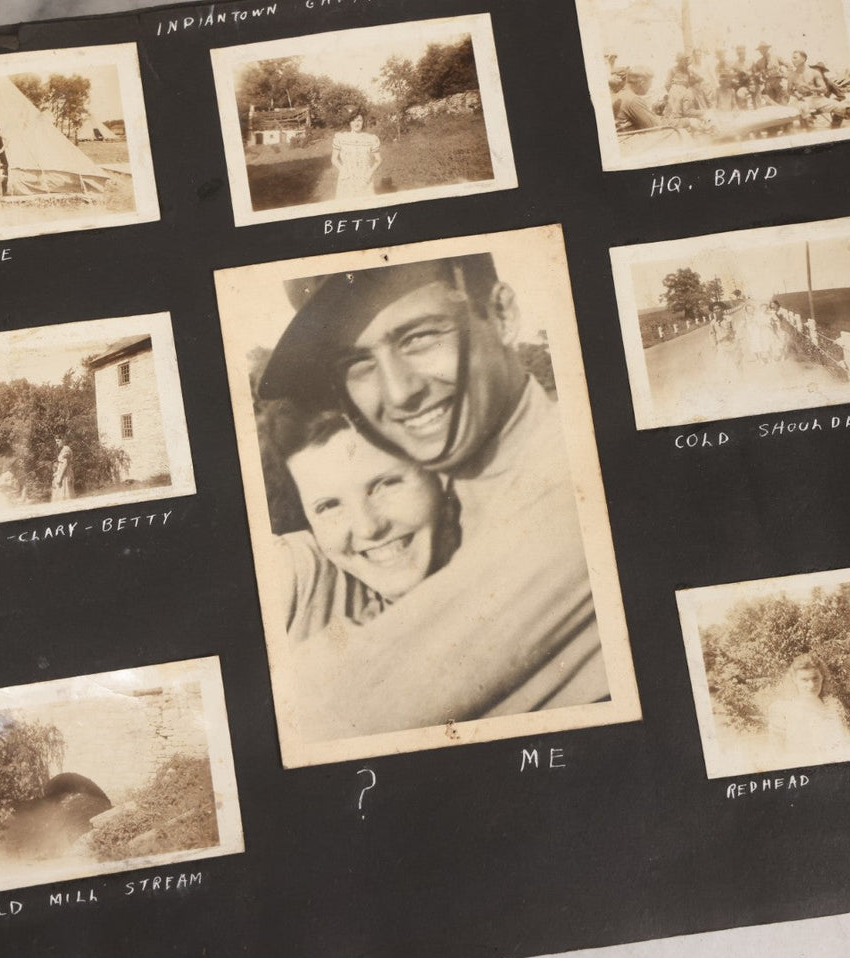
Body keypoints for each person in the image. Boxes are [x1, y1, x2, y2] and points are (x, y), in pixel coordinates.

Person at [257, 253, 608, 739]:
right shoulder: (456, 508)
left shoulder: (576, 486)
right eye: (358, 364)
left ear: (503, 315)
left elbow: (329, 710)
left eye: (419, 338)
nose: (399, 393)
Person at [262, 403, 457, 644]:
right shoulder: (298, 568)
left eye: (385, 484)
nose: (368, 528)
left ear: (441, 475)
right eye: (329, 506)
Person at [765, 653, 850, 759]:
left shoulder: (833, 705)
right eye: (804, 680)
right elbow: (777, 753)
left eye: (815, 678)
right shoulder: (783, 710)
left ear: (822, 678)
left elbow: (849, 743)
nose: (811, 685)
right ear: (794, 680)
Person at [330, 113, 382, 200]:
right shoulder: (341, 138)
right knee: (346, 209)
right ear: (349, 122)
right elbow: (334, 159)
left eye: (359, 120)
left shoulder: (370, 139)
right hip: (347, 179)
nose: (356, 123)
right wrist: (343, 171)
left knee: (367, 208)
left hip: (365, 179)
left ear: (363, 122)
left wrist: (369, 173)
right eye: (353, 120)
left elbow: (379, 160)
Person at [50, 436, 74, 502]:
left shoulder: (66, 449)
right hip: (62, 472)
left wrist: (60, 477)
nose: (57, 443)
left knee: (64, 493)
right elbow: (61, 463)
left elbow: (65, 464)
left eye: (58, 441)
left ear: (63, 440)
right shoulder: (63, 449)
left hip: (65, 474)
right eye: (56, 442)